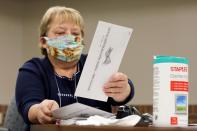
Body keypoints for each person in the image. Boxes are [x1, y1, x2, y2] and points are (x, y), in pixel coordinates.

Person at [15, 6, 135, 129]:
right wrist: (40, 110)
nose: (69, 38)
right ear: (43, 42)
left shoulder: (94, 64)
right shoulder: (33, 69)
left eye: (75, 33)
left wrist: (124, 89)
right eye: (60, 33)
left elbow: (122, 92)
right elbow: (28, 107)